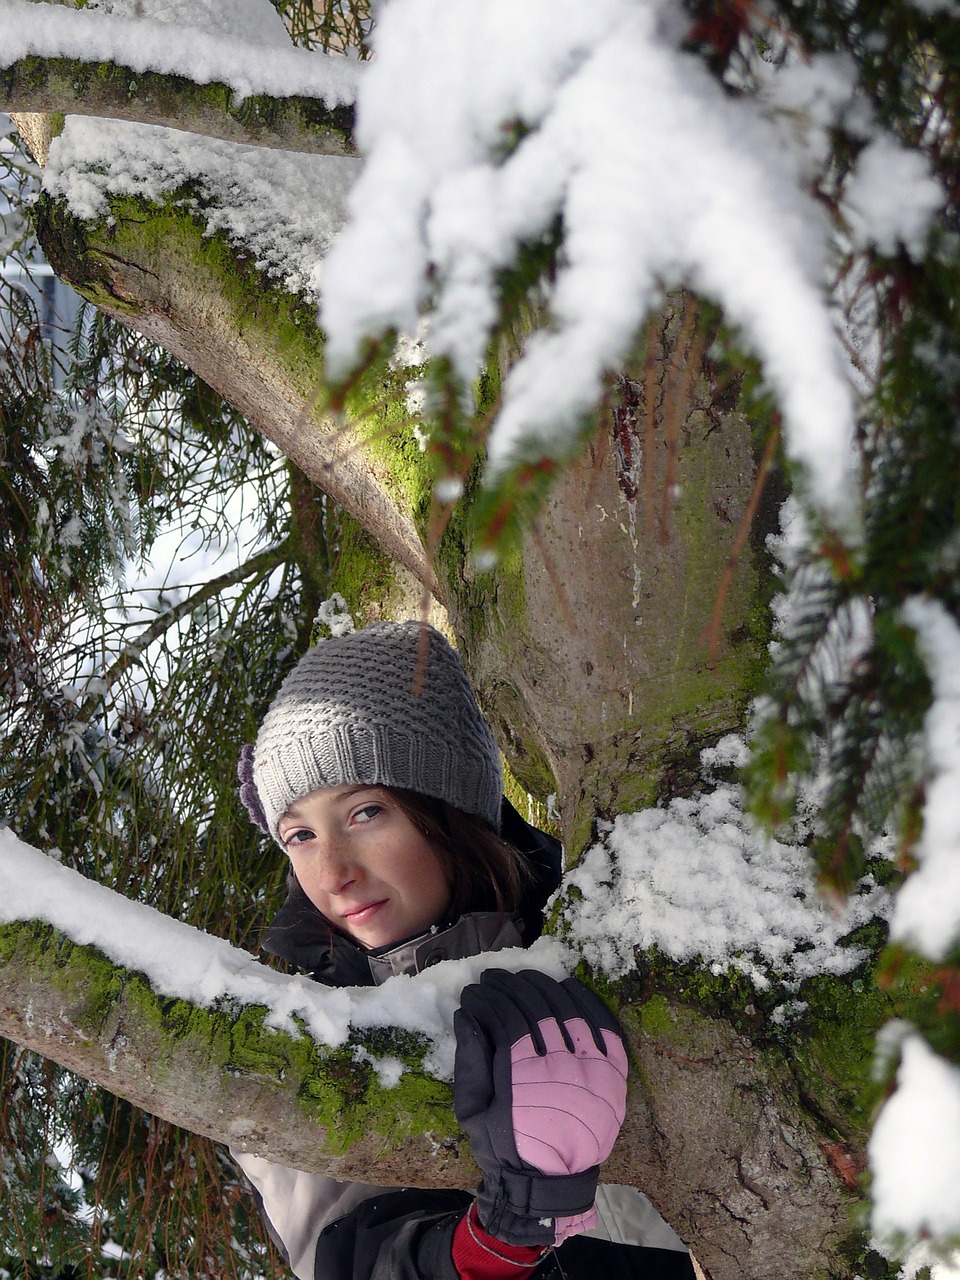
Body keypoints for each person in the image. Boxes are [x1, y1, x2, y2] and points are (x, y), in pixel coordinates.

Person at [234, 621, 695, 1280]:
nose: (333, 874)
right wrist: (501, 1238)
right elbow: (350, 1260)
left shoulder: (622, 942)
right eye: (299, 835)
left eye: (365, 813)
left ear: (449, 803)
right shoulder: (299, 1049)